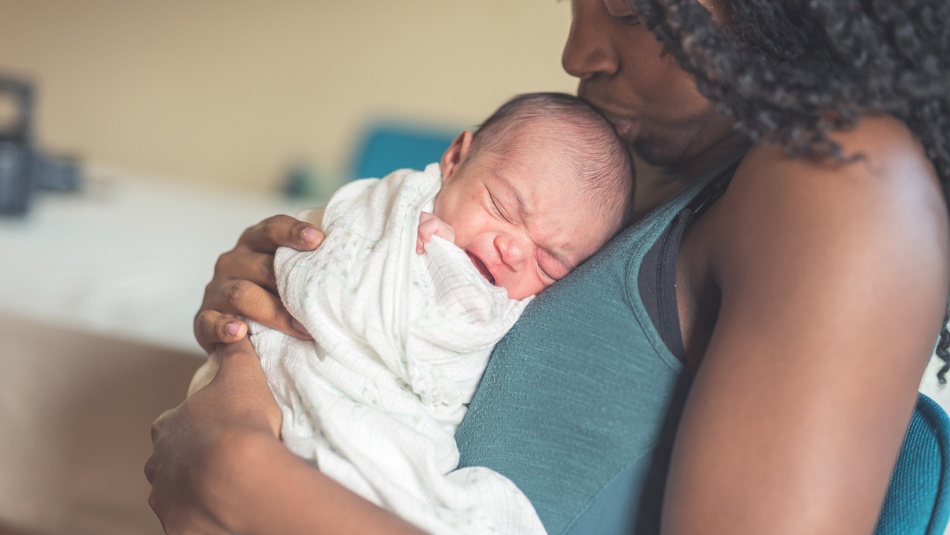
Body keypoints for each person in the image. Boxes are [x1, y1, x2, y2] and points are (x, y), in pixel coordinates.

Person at [146, 0, 950, 534]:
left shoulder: (849, 184)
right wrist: (291, 310)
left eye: (634, 8)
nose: (578, 48)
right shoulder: (656, 175)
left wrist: (242, 478)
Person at [185, 92, 632, 535]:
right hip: (279, 391)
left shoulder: (519, 303)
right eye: (500, 207)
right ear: (456, 159)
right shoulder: (395, 208)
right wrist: (407, 250)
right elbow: (334, 284)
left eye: (549, 261)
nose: (512, 250)